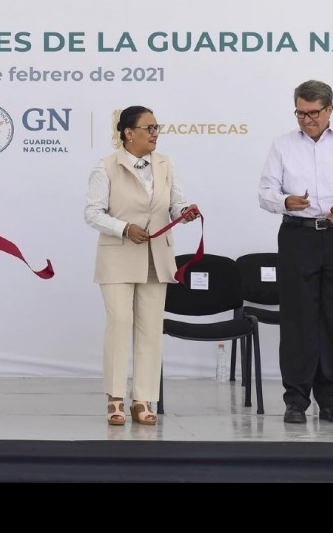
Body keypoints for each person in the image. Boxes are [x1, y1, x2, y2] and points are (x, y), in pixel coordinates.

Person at [258, 79, 333, 425]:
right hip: (298, 235)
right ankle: (296, 400)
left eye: (313, 113)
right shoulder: (282, 145)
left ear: (330, 109)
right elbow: (265, 191)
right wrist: (285, 201)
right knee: (298, 319)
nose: (306, 120)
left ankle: (330, 399)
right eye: (300, 113)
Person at [85, 106, 197, 426]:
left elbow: (175, 203)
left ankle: (143, 399)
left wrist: (185, 212)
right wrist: (124, 228)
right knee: (120, 323)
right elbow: (92, 213)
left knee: (150, 329)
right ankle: (115, 397)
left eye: (156, 127)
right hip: (118, 256)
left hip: (156, 257)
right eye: (148, 128)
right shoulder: (106, 166)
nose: (154, 133)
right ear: (128, 133)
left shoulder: (165, 164)